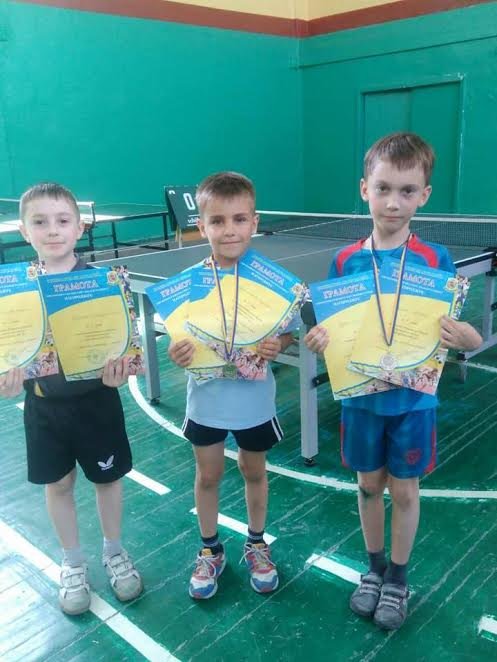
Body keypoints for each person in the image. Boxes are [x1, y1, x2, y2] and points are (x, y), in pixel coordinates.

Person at [305, 133, 482, 630]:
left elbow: (455, 331)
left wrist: (469, 337)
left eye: (407, 191)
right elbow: (334, 330)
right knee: (367, 487)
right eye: (383, 189)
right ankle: (374, 569)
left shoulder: (437, 260)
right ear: (365, 189)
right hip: (361, 401)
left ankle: (398, 579)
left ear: (424, 195)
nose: (393, 202)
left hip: (413, 403)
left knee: (404, 492)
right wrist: (320, 339)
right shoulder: (344, 261)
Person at [0, 183, 143, 615]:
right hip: (43, 407)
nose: (52, 230)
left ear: (79, 228)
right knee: (58, 484)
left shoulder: (104, 285)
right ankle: (73, 562)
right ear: (24, 231)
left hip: (98, 404)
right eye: (40, 222)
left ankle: (114, 552)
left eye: (63, 220)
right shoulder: (13, 291)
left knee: (107, 480)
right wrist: (7, 382)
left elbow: (124, 347)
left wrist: (120, 375)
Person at [168, 172, 296, 600]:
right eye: (217, 221)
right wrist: (177, 353)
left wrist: (280, 344)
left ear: (254, 222)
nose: (229, 230)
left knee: (253, 471)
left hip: (254, 403)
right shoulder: (188, 284)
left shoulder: (273, 284)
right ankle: (210, 550)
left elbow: (287, 333)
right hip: (206, 403)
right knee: (208, 475)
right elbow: (177, 342)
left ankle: (257, 543)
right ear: (200, 226)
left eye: (239, 219)